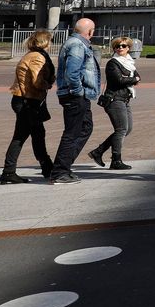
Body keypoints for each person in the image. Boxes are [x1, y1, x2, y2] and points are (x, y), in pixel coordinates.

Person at [0, 29, 57, 184]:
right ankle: (8, 172)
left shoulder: (32, 54)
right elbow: (37, 81)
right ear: (44, 42)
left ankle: (47, 167)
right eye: (49, 41)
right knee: (21, 136)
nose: (51, 44)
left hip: (24, 100)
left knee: (37, 134)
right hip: (27, 101)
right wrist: (48, 83)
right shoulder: (38, 57)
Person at [48, 18, 101, 185]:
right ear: (90, 31)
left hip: (77, 95)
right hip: (75, 95)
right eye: (93, 30)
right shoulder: (78, 45)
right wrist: (79, 92)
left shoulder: (77, 43)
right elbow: (72, 73)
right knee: (72, 132)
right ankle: (60, 172)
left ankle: (63, 167)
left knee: (85, 127)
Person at [87, 37, 140, 170]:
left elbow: (136, 77)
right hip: (114, 100)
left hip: (125, 99)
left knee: (127, 129)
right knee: (121, 129)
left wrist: (131, 78)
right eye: (117, 46)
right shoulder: (113, 63)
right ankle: (116, 160)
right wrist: (133, 79)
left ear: (128, 47)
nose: (120, 48)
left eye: (123, 46)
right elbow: (119, 80)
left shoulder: (129, 62)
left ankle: (98, 151)